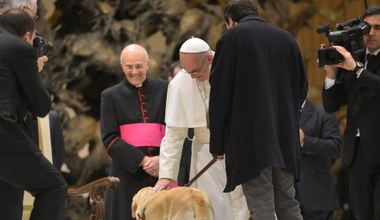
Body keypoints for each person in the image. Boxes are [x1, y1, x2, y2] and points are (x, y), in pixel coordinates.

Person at [208, 0, 308, 219]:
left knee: (261, 206)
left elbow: (220, 94)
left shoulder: (231, 38)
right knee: (289, 204)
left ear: (230, 21)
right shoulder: (287, 38)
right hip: (285, 139)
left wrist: (217, 143)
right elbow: (302, 89)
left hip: (250, 140)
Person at [154, 37, 249, 220]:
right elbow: (174, 134)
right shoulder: (181, 82)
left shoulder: (234, 70)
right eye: (187, 71)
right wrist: (166, 175)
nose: (192, 77)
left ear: (210, 59)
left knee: (243, 207)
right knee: (212, 209)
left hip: (240, 151)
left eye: (196, 71)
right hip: (207, 157)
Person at [0, 9, 67, 220]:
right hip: (3, 134)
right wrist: (32, 71)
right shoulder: (20, 48)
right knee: (54, 186)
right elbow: (41, 106)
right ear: (27, 36)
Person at [321, 5, 380, 220]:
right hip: (356, 154)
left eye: (378, 27)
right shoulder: (353, 59)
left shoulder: (355, 64)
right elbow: (331, 105)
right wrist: (331, 75)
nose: (371, 33)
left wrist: (357, 69)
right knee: (361, 215)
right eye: (367, 27)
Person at [100, 44, 168, 220]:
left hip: (162, 170)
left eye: (139, 66)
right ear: (122, 66)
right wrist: (144, 161)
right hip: (127, 174)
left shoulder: (165, 90)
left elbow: (175, 130)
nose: (134, 71)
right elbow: (110, 140)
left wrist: (162, 160)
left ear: (148, 64)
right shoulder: (110, 96)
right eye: (129, 67)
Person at [295, 100, 342, 220]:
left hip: (316, 193)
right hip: (284, 194)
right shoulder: (279, 113)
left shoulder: (323, 112)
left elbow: (336, 147)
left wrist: (305, 141)